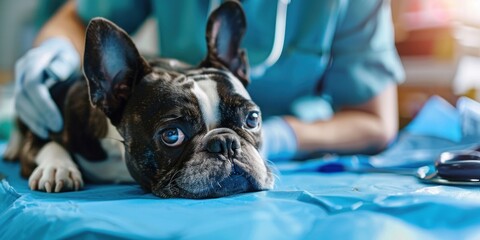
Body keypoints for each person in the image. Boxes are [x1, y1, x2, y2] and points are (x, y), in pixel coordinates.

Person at [14, 0, 404, 162]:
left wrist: (280, 136)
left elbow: (375, 119)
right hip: (173, 147)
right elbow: (76, 19)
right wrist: (52, 52)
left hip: (297, 148)